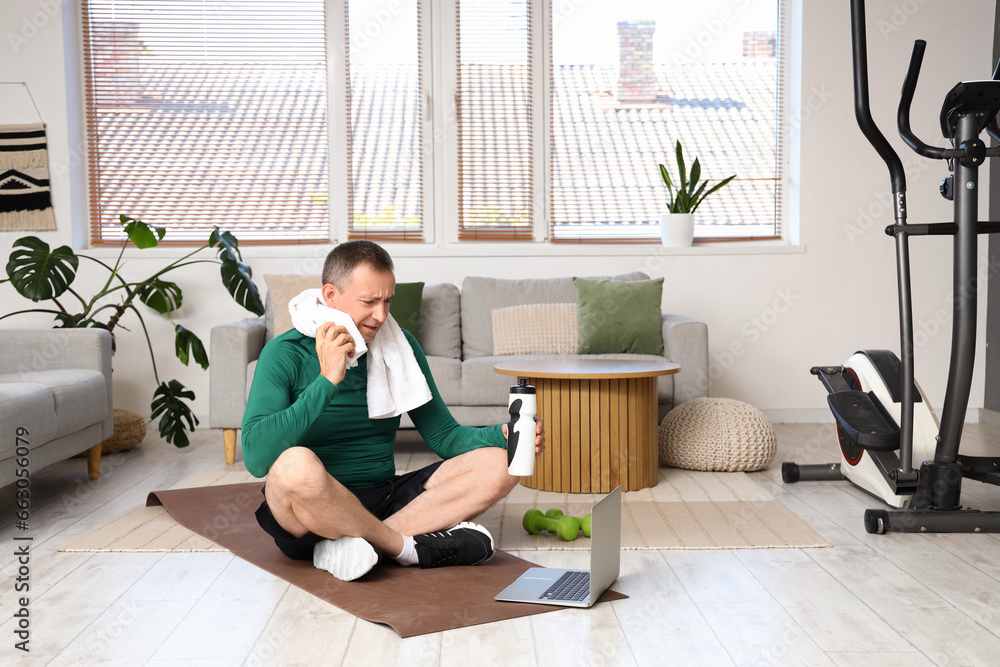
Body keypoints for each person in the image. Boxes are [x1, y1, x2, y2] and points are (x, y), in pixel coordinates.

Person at [241, 240, 545, 581]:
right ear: (330, 295)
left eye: (387, 301)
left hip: (384, 496)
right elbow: (256, 458)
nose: (381, 316)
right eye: (369, 302)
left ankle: (359, 548)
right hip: (310, 511)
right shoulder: (284, 352)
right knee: (293, 465)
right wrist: (327, 380)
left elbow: (444, 435)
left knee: (503, 463)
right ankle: (405, 548)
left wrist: (499, 435)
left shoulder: (399, 347)